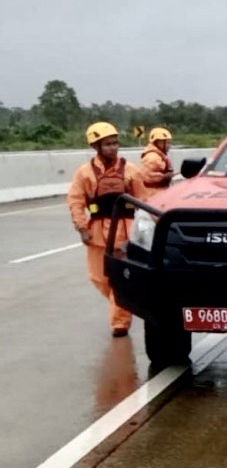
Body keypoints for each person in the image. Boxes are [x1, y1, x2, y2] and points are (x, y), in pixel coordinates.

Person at [67, 121, 149, 337]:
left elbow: (143, 200)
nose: (113, 147)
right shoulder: (84, 173)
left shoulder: (130, 170)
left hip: (126, 231)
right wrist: (81, 227)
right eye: (108, 144)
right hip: (97, 233)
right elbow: (75, 201)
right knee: (99, 278)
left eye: (115, 143)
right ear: (96, 146)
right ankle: (121, 303)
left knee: (119, 280)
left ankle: (120, 323)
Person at [140, 126, 176, 197]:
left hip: (158, 193)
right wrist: (164, 177)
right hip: (152, 195)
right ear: (158, 142)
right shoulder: (152, 157)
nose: (169, 146)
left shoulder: (159, 156)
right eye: (167, 143)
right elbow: (145, 176)